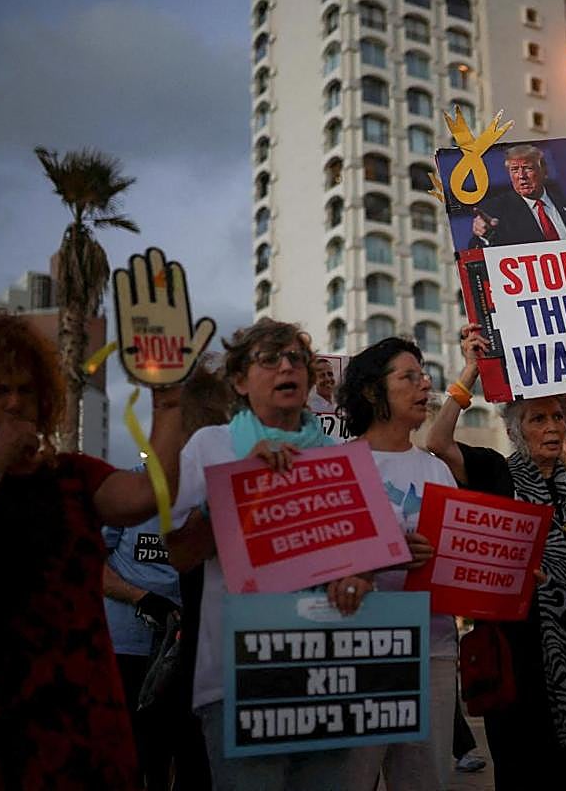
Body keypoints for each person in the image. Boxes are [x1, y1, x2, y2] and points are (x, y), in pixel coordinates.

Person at [0, 305, 184, 787]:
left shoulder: (71, 474)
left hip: (75, 712)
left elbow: (144, 497)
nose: (14, 403)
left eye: (26, 391)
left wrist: (169, 407)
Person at [426, 323, 566, 790]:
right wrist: (470, 370)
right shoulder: (495, 473)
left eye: (557, 417)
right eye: (537, 419)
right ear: (515, 429)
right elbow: (438, 442)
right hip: (516, 666)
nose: (551, 427)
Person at [164, 318, 375, 789]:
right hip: (241, 683)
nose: (288, 366)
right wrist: (243, 484)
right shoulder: (210, 447)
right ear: (239, 381)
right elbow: (179, 554)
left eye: (297, 358)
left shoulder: (338, 456)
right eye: (270, 358)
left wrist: (360, 580)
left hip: (327, 676)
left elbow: (359, 561)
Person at [333, 337, 458, 789]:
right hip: (356, 652)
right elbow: (319, 559)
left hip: (434, 651)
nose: (424, 384)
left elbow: (457, 554)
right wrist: (388, 554)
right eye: (408, 376)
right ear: (371, 391)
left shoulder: (437, 470)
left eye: (424, 376)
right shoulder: (337, 464)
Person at [103, 356, 230, 790]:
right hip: (131, 650)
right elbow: (91, 569)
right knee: (138, 757)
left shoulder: (221, 489)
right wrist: (141, 598)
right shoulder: (129, 491)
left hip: (196, 659)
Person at [466, 144, 566, 249]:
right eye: (514, 170)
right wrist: (483, 237)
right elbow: (476, 253)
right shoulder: (495, 210)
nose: (521, 176)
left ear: (545, 171)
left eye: (528, 168)